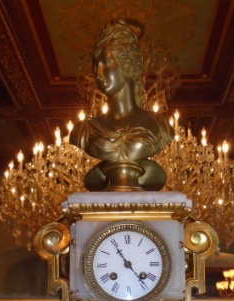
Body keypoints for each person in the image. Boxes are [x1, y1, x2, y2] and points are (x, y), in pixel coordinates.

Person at [70, 19, 174, 191]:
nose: (98, 74)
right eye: (96, 67)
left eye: (107, 64)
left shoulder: (160, 126)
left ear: (127, 65)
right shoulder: (83, 131)